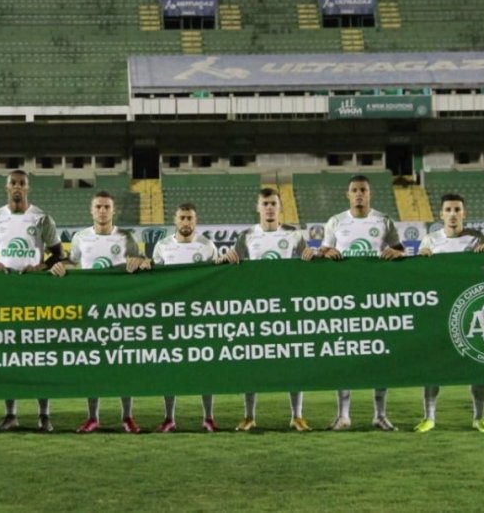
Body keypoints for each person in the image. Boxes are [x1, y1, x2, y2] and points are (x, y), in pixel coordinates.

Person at [50, 191, 150, 433]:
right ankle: (92, 417)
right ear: (91, 210)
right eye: (98, 207)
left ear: (113, 210)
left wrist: (141, 261)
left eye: (107, 206)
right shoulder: (80, 238)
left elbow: (141, 261)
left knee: (123, 363)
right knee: (93, 364)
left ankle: (127, 416)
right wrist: (60, 266)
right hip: (91, 310)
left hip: (119, 310)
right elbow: (73, 262)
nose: (102, 211)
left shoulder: (126, 238)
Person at [222, 188, 315, 432]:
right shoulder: (247, 236)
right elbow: (233, 264)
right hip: (257, 308)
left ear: (280, 207)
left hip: (286, 308)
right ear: (258, 208)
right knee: (252, 361)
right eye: (265, 203)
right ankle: (249, 416)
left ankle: (297, 415)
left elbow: (307, 265)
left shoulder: (294, 235)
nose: (270, 208)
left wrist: (310, 257)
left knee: (292, 361)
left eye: (274, 203)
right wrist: (226, 259)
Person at [318, 175, 405, 432]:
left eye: (363, 190)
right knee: (345, 354)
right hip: (345, 299)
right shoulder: (335, 222)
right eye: (354, 190)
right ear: (347, 195)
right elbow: (323, 253)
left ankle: (380, 414)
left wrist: (398, 253)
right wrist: (326, 253)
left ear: (370, 194)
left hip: (376, 299)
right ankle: (343, 415)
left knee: (380, 355)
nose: (358, 194)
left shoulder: (384, 220)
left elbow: (401, 252)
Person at [0, 170, 63, 432]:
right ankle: (11, 413)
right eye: (13, 184)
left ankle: (44, 414)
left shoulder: (41, 218)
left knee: (39, 354)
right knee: (10, 355)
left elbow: (58, 256)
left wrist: (39, 268)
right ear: (6, 188)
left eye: (22, 184)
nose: (17, 188)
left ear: (28, 188)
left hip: (36, 295)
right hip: (6, 295)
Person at [415, 194, 484, 434]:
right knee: (433, 367)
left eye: (457, 209)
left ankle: (479, 418)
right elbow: (419, 275)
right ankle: (429, 417)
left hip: (470, 311)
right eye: (448, 209)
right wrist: (423, 260)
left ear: (464, 213)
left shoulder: (476, 237)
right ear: (440, 215)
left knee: (477, 366)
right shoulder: (430, 240)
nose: (452, 214)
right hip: (439, 311)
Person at [150, 203, 219, 432]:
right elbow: (154, 282)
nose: (186, 222)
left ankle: (208, 417)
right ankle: (169, 418)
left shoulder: (207, 246)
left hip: (199, 319)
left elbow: (217, 279)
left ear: (195, 221)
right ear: (175, 220)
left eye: (190, 218)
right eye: (182, 218)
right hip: (171, 319)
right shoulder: (162, 247)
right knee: (170, 368)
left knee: (204, 367)